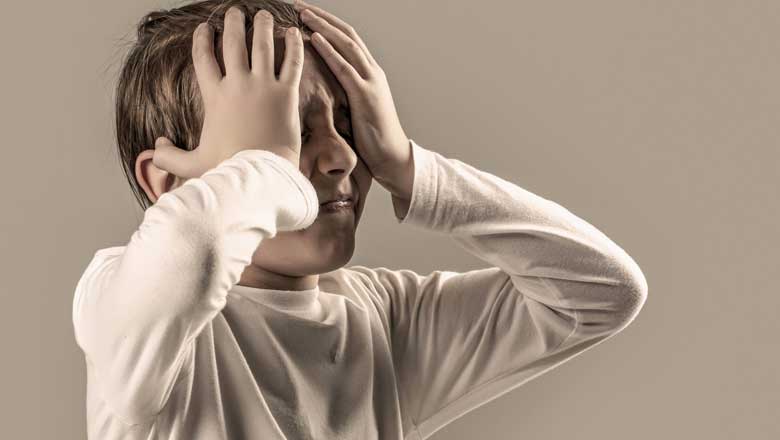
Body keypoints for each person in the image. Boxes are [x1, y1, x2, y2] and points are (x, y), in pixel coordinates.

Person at [71, 0, 649, 439]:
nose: (342, 156)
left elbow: (602, 292)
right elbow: (192, 249)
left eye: (348, 126)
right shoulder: (119, 305)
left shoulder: (381, 319)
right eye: (289, 133)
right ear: (167, 182)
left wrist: (408, 167)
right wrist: (267, 169)